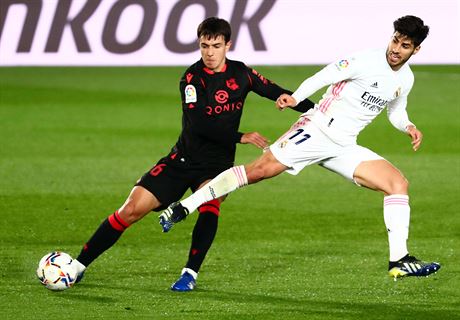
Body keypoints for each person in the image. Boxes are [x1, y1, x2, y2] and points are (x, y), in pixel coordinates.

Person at [160, 15, 441, 280]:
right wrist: (295, 98)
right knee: (258, 171)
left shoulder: (406, 79)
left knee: (397, 183)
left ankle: (399, 261)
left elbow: (395, 109)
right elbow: (324, 76)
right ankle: (184, 206)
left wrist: (408, 126)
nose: (396, 49)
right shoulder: (366, 60)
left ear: (415, 50)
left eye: (404, 46)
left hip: (344, 145)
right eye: (395, 40)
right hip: (317, 129)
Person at [70, 17, 315, 291]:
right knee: (130, 210)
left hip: (217, 164)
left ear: (228, 45)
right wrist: (240, 137)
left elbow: (275, 91)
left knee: (210, 204)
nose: (210, 53)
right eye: (204, 46)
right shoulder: (191, 79)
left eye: (216, 46)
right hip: (182, 160)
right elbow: (199, 124)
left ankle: (189, 274)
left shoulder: (241, 73)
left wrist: (316, 109)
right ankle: (77, 267)